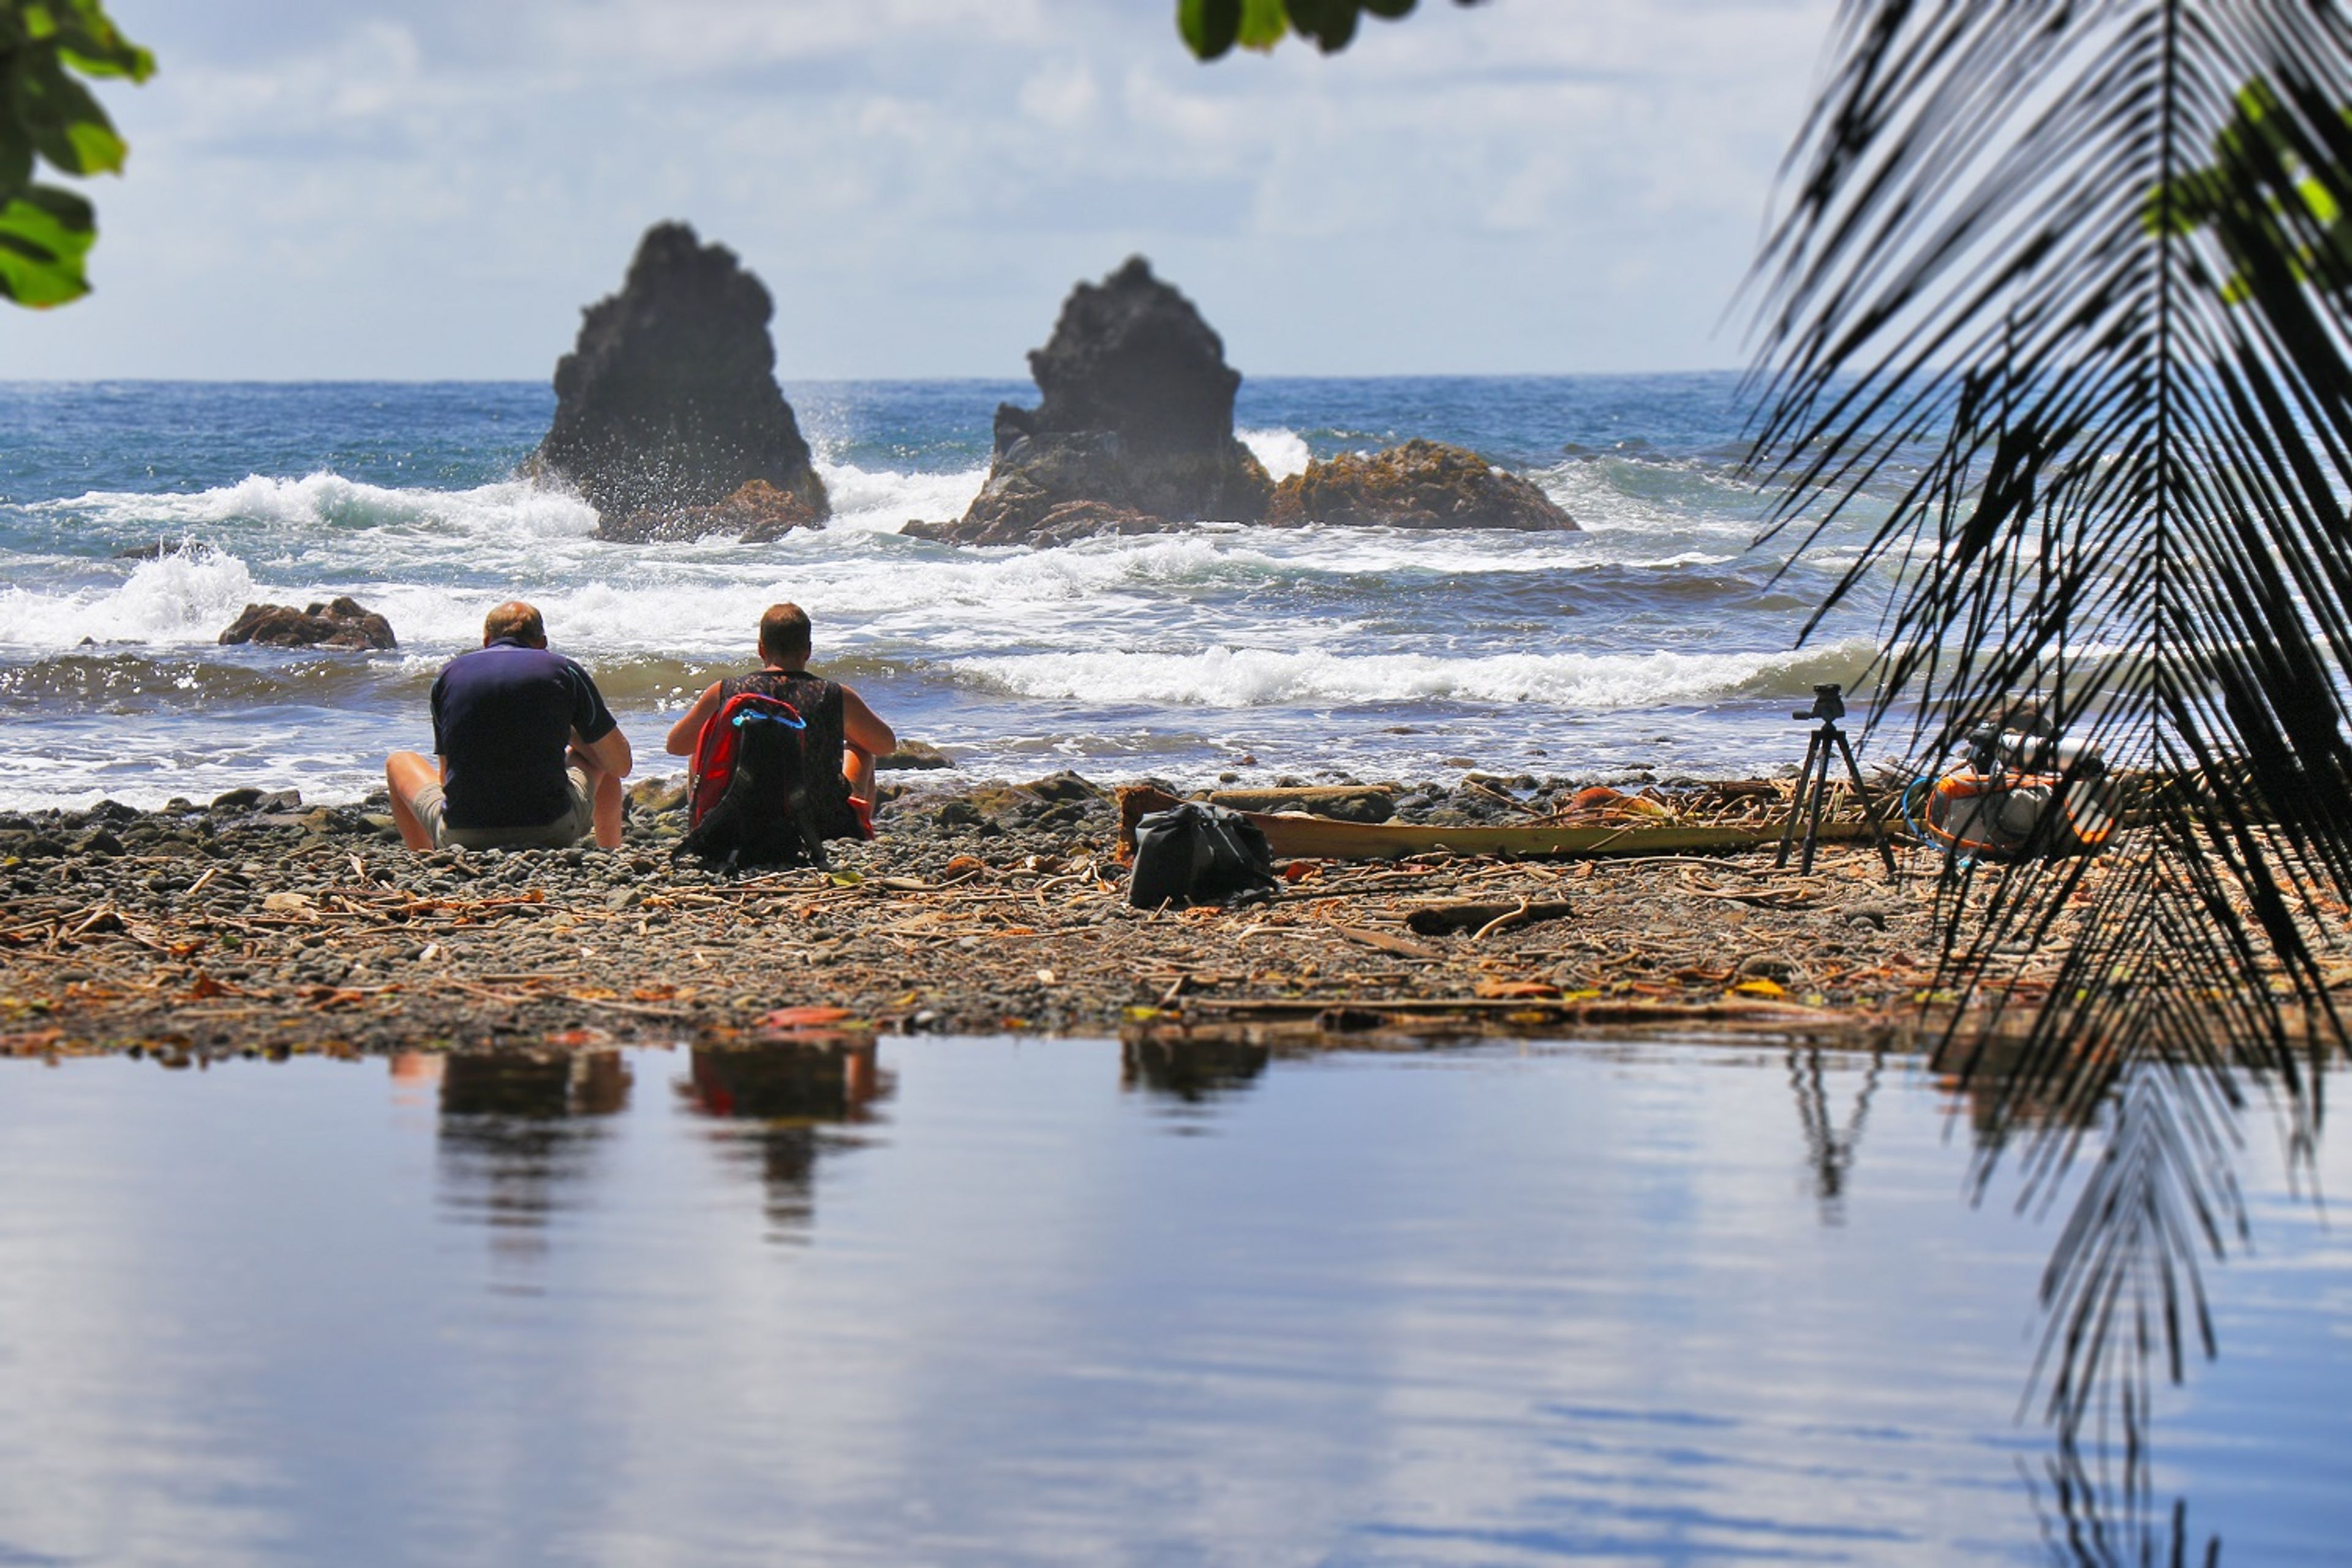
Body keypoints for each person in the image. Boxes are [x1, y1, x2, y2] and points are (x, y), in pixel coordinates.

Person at [385, 601, 633, 851]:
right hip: (553, 828)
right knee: (603, 746)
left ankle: (427, 858)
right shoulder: (565, 670)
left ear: (486, 640)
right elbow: (620, 764)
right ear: (543, 643)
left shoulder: (448, 675)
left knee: (398, 761)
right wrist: (571, 733)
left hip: (463, 834)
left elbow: (445, 776)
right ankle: (611, 851)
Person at [665, 602, 894, 839]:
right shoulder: (834, 694)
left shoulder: (727, 690)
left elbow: (675, 745)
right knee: (862, 749)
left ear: (761, 649)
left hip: (741, 824)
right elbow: (886, 745)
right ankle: (861, 832)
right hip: (820, 825)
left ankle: (700, 827)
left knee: (700, 746)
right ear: (808, 650)